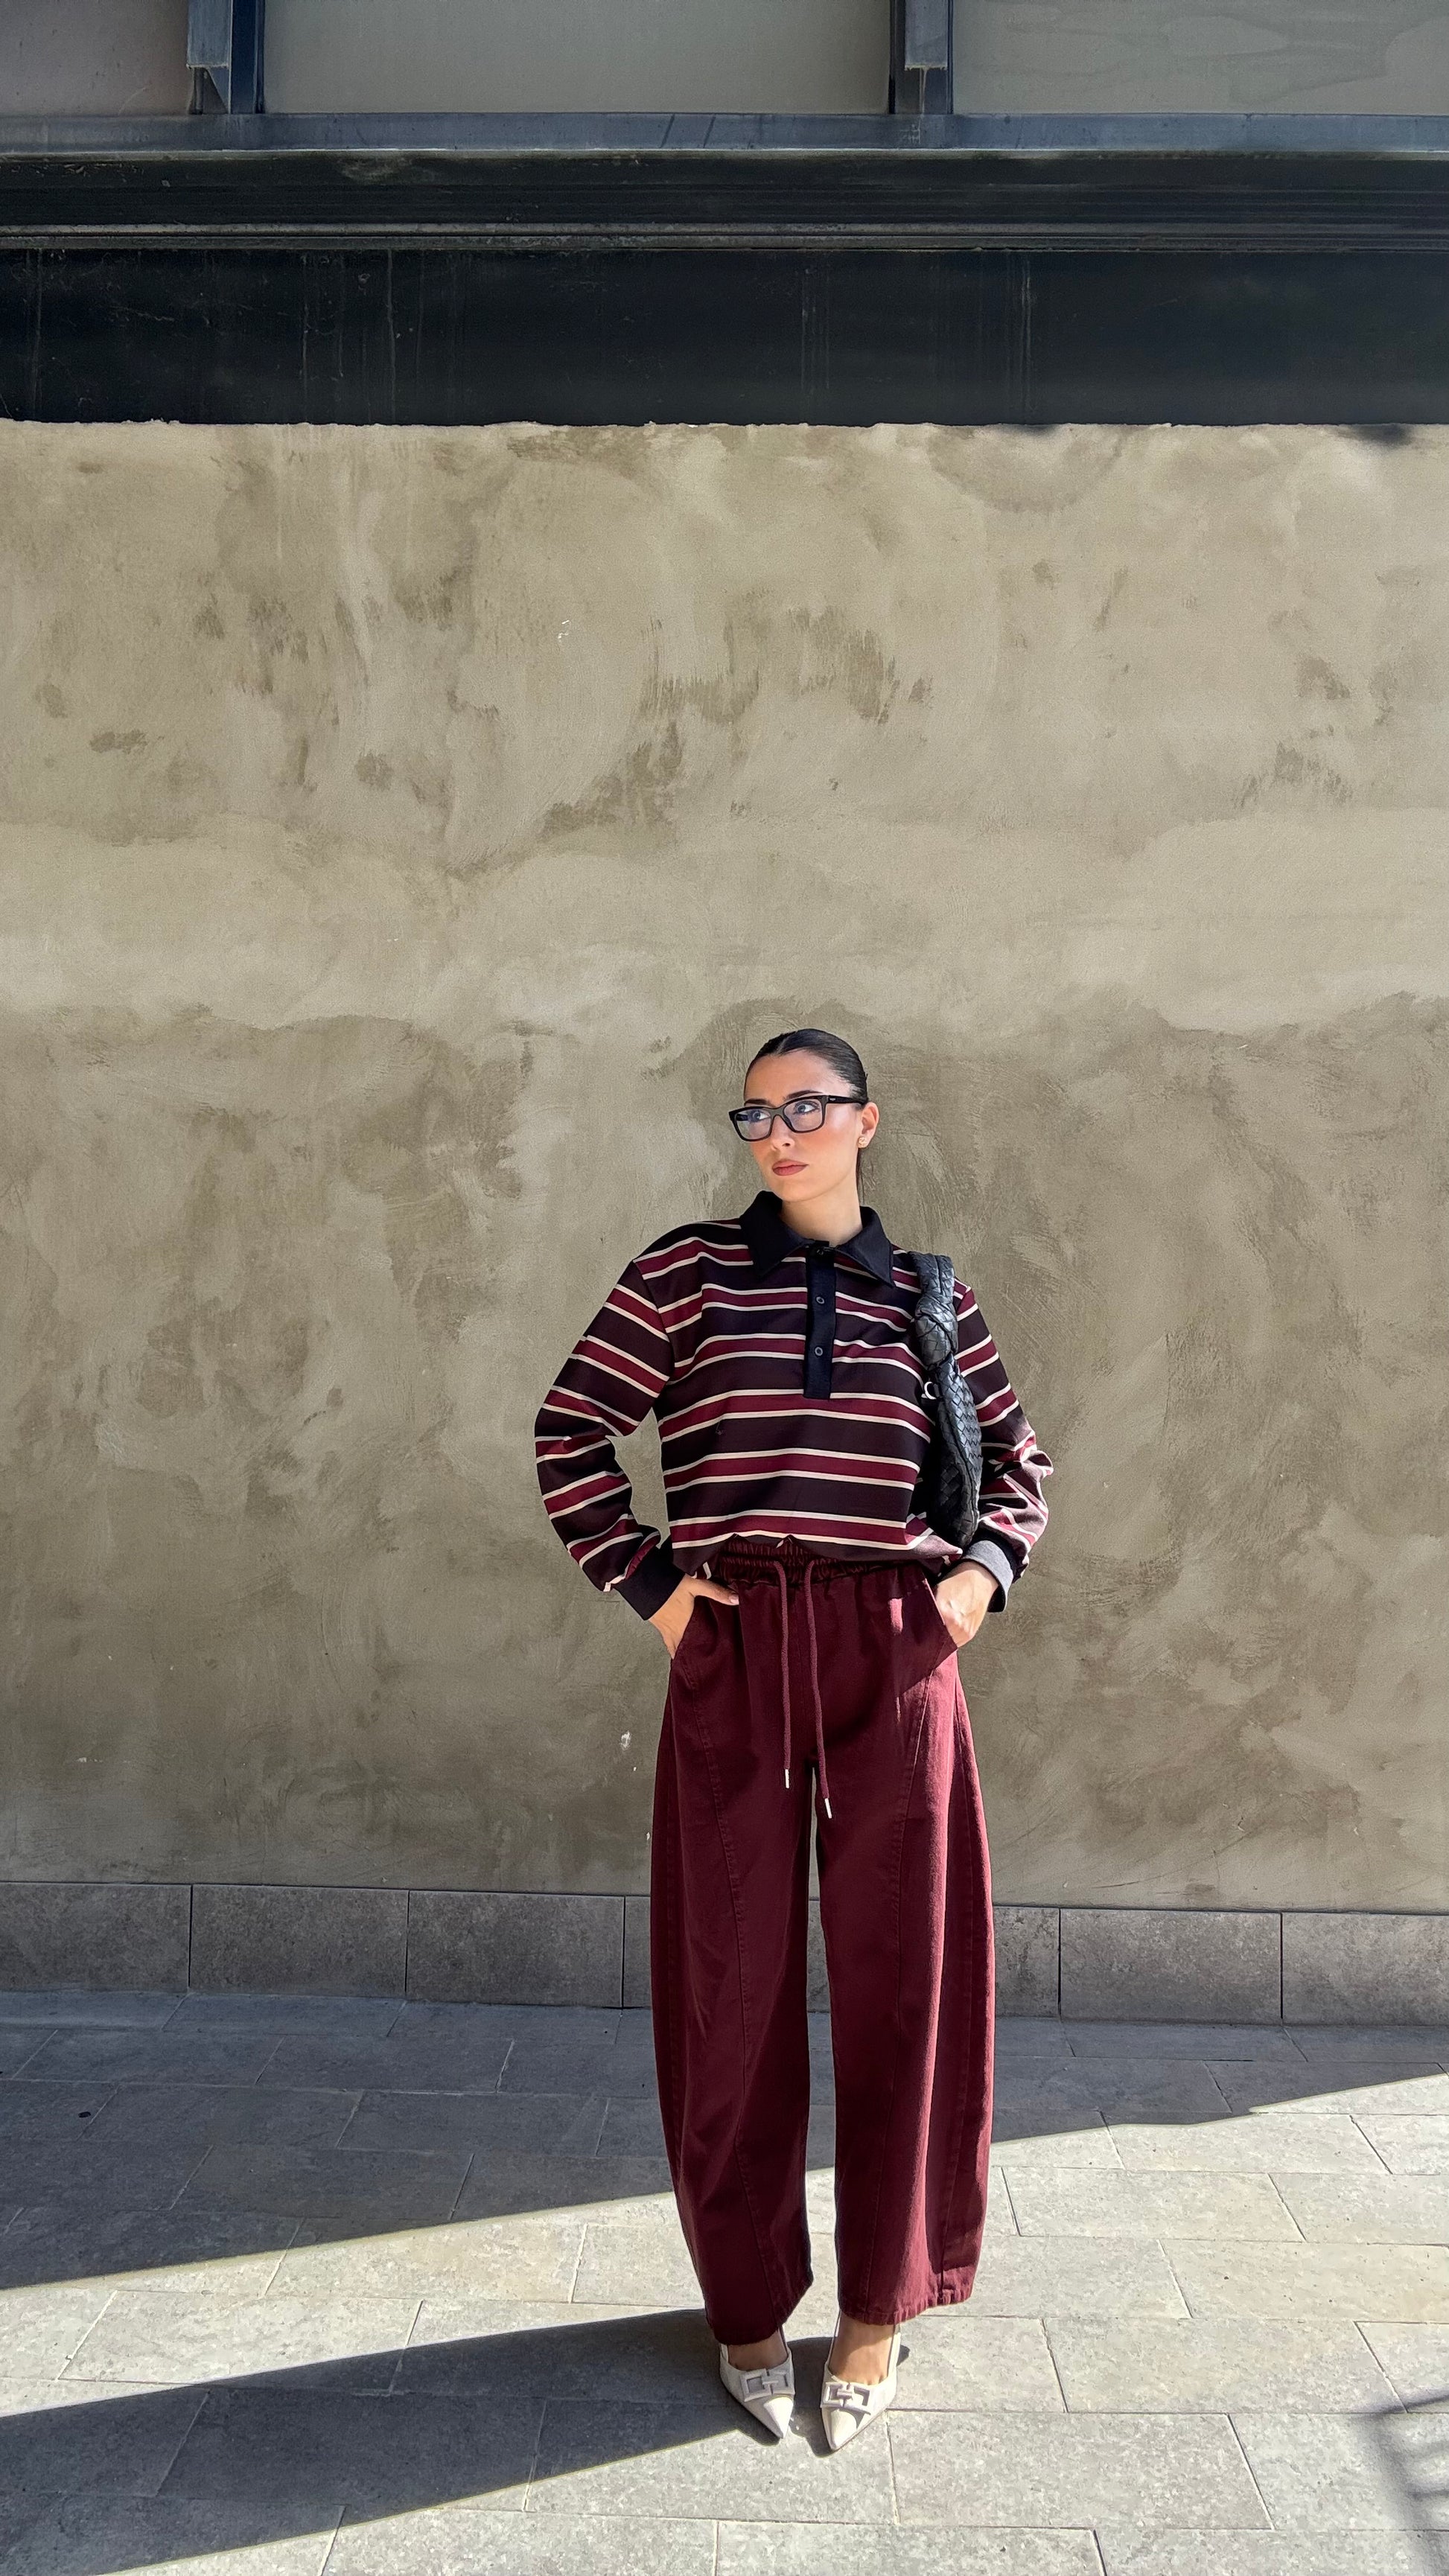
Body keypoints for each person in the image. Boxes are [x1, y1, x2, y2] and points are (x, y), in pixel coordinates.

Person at [534, 1027, 1051, 2447]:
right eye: (755, 1113)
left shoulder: (929, 1294)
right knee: (730, 1980)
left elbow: (1018, 1464)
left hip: (893, 1647)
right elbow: (570, 1432)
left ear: (866, 1121)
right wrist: (656, 1594)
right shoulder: (684, 1274)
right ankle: (746, 2303)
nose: (778, 1132)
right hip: (738, 1644)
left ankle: (880, 2308)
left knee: (909, 1982)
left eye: (808, 1107)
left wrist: (971, 1585)